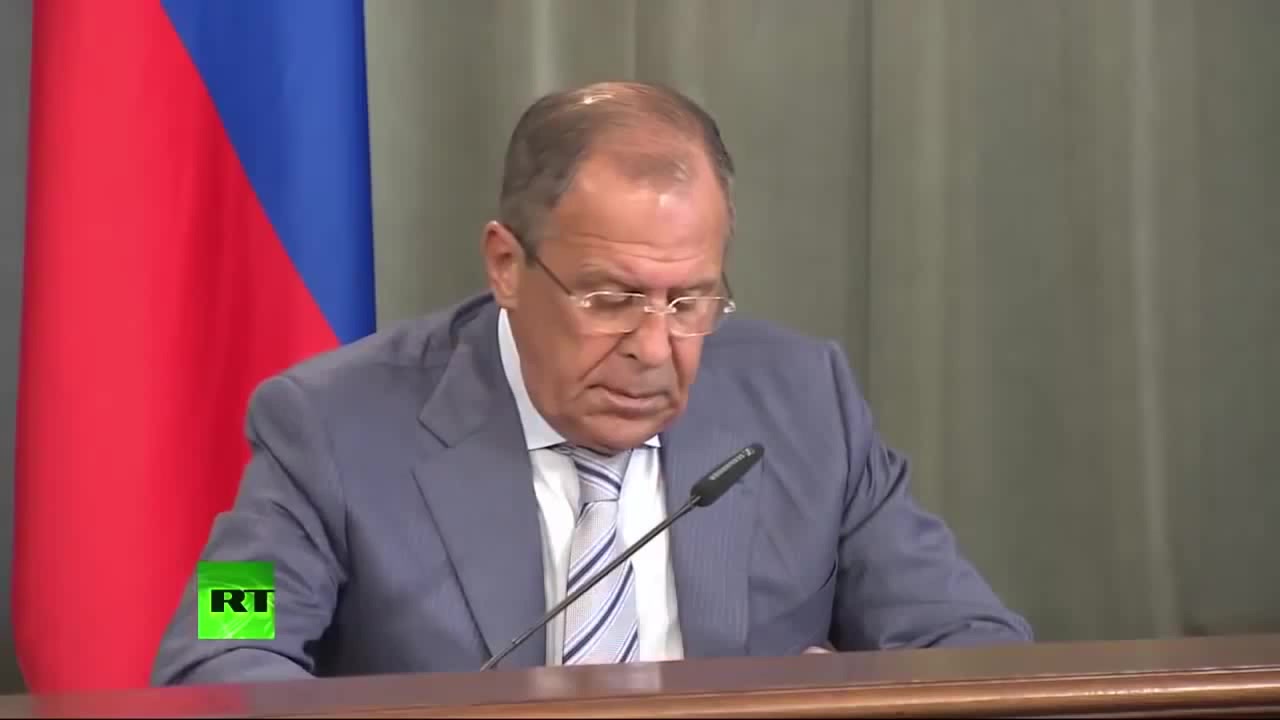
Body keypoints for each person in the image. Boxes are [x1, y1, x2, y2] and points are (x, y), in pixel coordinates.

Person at [152, 81, 1032, 685]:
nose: (654, 347)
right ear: (506, 264)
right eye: (610, 299)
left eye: (690, 301)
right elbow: (223, 646)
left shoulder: (805, 403)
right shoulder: (327, 425)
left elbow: (972, 642)